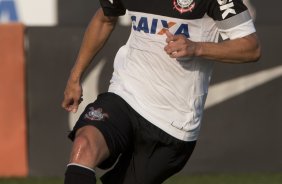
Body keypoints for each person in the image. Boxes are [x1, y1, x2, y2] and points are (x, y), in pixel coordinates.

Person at [62, 0, 261, 183]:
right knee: (84, 145)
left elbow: (251, 47)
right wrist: (75, 75)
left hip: (173, 123)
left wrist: (196, 48)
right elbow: (105, 18)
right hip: (125, 93)